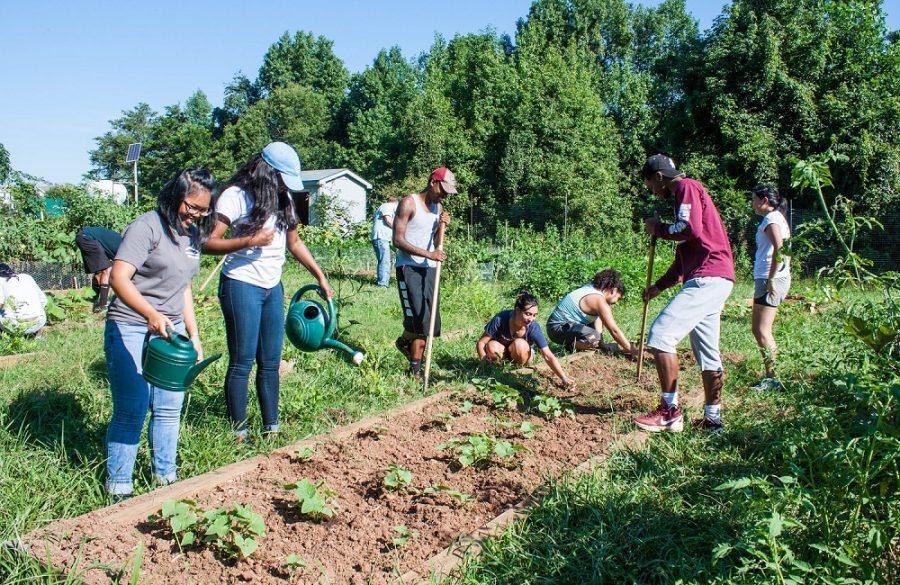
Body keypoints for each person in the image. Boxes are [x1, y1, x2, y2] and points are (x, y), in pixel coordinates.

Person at [204, 142, 333, 442]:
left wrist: (320, 275)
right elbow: (208, 243)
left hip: (272, 286)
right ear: (267, 171)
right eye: (282, 178)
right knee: (243, 360)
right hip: (241, 283)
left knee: (271, 361)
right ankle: (239, 432)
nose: (285, 185)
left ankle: (271, 429)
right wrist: (249, 241)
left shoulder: (284, 197)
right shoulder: (235, 196)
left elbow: (295, 242)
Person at [104, 167, 214, 500]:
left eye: (202, 210)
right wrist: (149, 313)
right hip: (131, 324)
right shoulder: (146, 227)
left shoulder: (190, 234)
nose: (195, 215)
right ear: (174, 196)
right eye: (191, 207)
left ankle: (166, 477)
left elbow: (184, 287)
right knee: (133, 405)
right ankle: (119, 485)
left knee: (169, 404)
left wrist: (193, 334)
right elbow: (118, 278)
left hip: (171, 330)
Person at [636, 154, 735, 433]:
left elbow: (689, 229)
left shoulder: (686, 187)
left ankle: (669, 412)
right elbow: (683, 259)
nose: (652, 192)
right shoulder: (685, 199)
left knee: (661, 335)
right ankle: (713, 420)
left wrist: (659, 229)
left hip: (708, 276)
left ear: (658, 177)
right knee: (708, 353)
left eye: (649, 185)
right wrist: (658, 287)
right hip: (713, 277)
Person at [393, 167, 454, 380]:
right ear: (432, 182)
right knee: (420, 319)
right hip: (408, 267)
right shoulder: (409, 203)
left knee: (430, 322)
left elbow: (437, 242)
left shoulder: (439, 207)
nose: (444, 195)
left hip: (429, 268)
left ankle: (404, 343)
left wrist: (442, 227)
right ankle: (417, 372)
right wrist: (429, 254)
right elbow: (398, 241)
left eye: (448, 193)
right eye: (443, 190)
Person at [477, 291, 573, 387]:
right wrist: (484, 362)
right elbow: (481, 343)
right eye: (528, 314)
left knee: (520, 344)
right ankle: (497, 371)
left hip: (523, 354)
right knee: (491, 346)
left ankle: (519, 372)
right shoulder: (500, 319)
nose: (531, 319)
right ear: (518, 310)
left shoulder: (533, 327)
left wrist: (564, 378)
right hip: (504, 352)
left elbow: (548, 355)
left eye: (534, 315)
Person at [749, 185, 791, 391]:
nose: (752, 203)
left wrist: (772, 278)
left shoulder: (772, 219)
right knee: (758, 328)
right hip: (768, 277)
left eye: (754, 199)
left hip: (769, 278)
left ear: (764, 200)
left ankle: (773, 378)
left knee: (762, 329)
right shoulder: (775, 218)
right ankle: (771, 375)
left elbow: (780, 249)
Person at [546, 268, 637, 357]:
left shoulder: (592, 289)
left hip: (560, 327)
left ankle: (578, 344)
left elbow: (597, 320)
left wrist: (601, 343)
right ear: (614, 290)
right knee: (593, 338)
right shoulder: (598, 299)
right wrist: (631, 350)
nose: (616, 302)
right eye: (618, 298)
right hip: (557, 328)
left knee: (595, 339)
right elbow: (614, 330)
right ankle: (571, 345)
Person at [75, 226, 123, 312]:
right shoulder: (125, 248)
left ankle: (95, 298)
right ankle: (102, 305)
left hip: (83, 236)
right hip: (87, 238)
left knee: (99, 271)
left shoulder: (123, 244)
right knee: (107, 270)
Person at [0, 263, 47, 336]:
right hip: (39, 322)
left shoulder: (1, 281)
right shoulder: (27, 277)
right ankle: (38, 336)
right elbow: (44, 301)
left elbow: (0, 304)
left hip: (13, 327)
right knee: (38, 307)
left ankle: (5, 336)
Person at [371, 197, 399, 287]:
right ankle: (383, 285)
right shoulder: (387, 206)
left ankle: (383, 282)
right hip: (381, 237)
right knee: (385, 261)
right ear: (395, 204)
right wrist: (399, 229)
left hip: (382, 238)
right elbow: (388, 220)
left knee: (384, 260)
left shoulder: (385, 207)